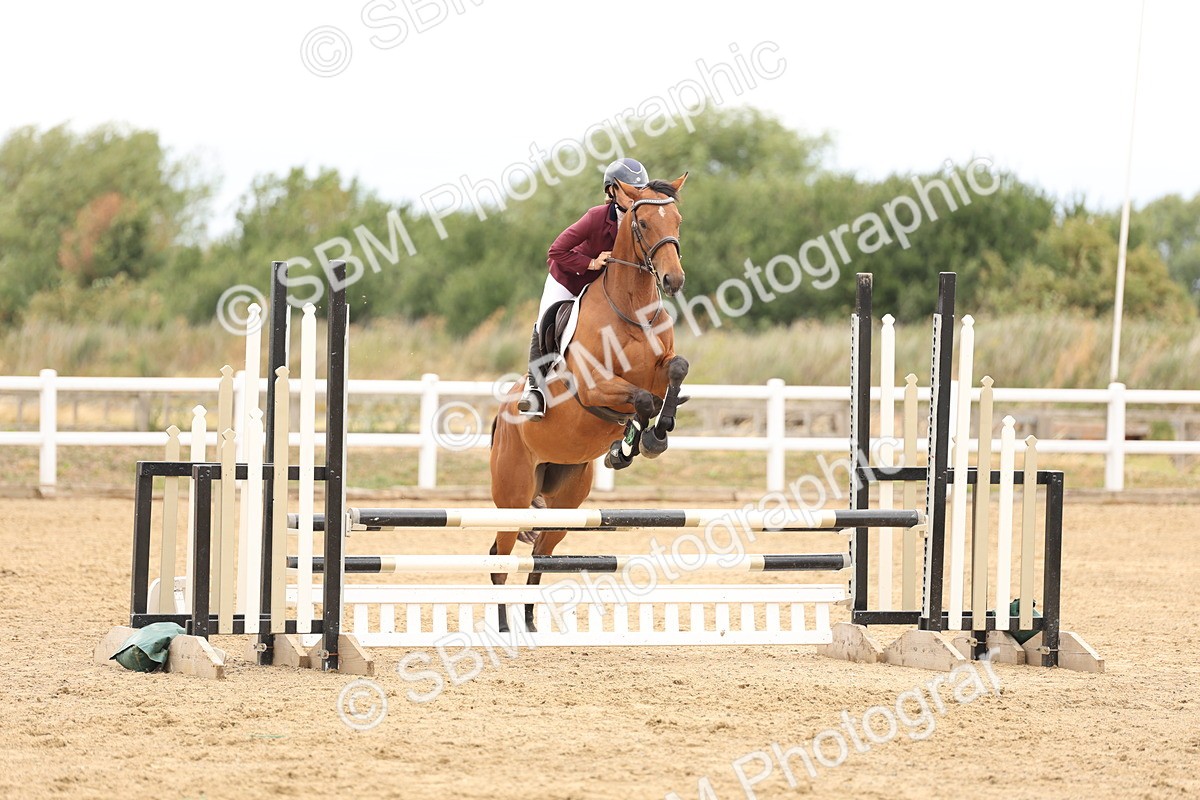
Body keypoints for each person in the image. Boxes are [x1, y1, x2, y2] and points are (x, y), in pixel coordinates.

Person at [517, 157, 650, 417]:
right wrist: (590, 263)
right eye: (630, 191)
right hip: (569, 278)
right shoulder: (596, 217)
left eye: (640, 191)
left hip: (602, 287)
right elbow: (556, 250)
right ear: (612, 190)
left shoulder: (641, 219)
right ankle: (534, 389)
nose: (636, 197)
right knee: (546, 321)